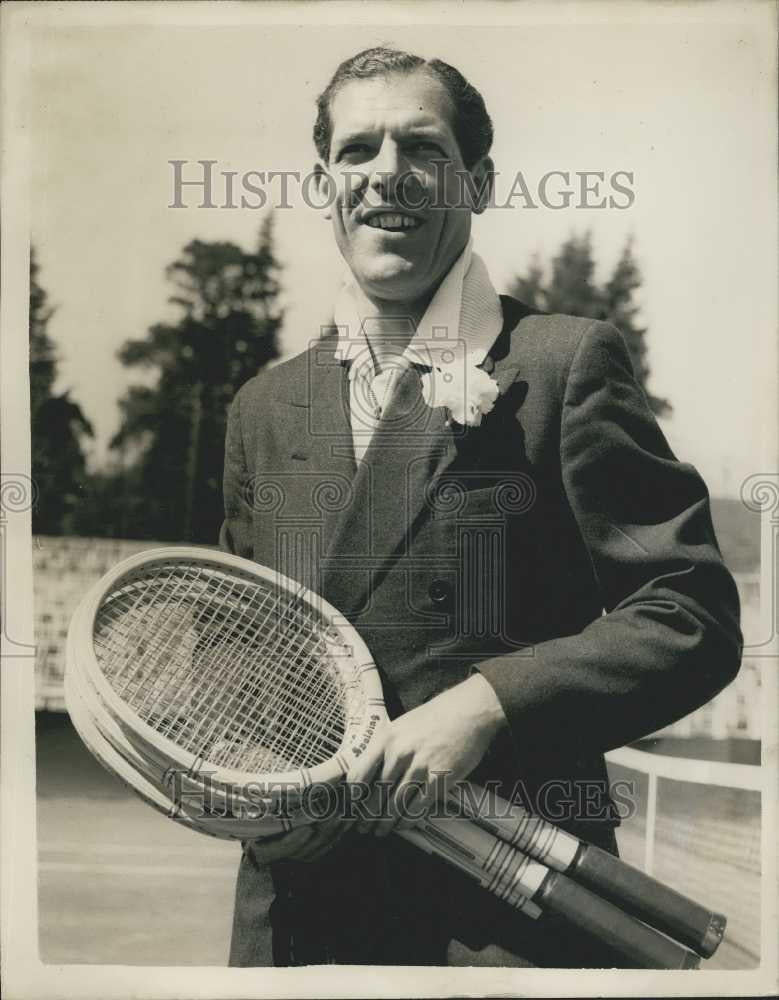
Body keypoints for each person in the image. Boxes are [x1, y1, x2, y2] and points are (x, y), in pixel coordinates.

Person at [220, 46, 742, 967]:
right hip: (300, 912)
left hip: (504, 929)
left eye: (421, 148)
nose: (387, 173)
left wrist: (489, 705)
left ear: (479, 181)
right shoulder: (262, 408)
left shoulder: (560, 363)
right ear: (324, 184)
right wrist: (261, 801)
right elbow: (233, 653)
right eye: (358, 151)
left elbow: (687, 615)